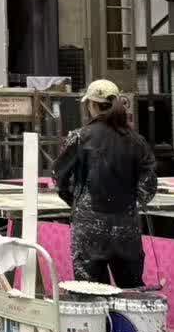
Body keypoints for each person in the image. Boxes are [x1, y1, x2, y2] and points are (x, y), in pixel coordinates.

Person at [53, 79, 159, 288]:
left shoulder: (79, 137)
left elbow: (60, 176)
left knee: (91, 292)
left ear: (91, 105)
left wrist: (76, 202)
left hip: (89, 229)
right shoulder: (136, 140)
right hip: (126, 229)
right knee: (131, 291)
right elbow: (148, 186)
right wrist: (129, 203)